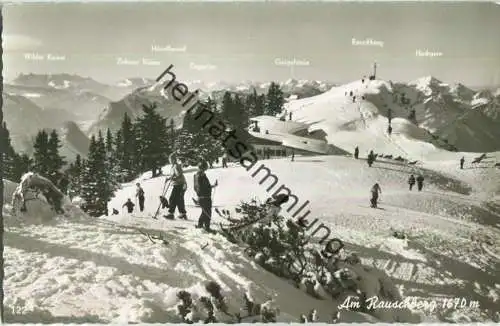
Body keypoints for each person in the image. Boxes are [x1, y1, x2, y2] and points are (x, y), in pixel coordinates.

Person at [194, 160, 218, 231]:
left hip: (202, 197)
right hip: (205, 197)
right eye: (205, 168)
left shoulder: (198, 175)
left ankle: (200, 225)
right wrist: (208, 188)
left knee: (205, 212)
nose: (205, 169)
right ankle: (207, 227)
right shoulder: (201, 176)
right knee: (207, 212)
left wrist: (212, 186)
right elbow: (202, 187)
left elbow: (201, 187)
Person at [165, 153, 188, 220]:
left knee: (172, 199)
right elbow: (174, 175)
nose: (169, 160)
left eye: (170, 159)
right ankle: (182, 214)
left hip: (179, 184)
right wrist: (169, 178)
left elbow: (179, 175)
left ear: (173, 159)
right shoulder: (173, 166)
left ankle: (171, 214)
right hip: (178, 184)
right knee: (178, 200)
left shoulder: (176, 166)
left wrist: (173, 179)